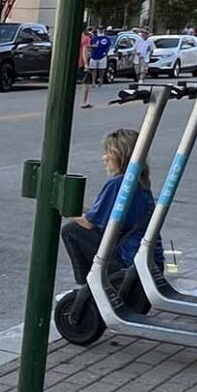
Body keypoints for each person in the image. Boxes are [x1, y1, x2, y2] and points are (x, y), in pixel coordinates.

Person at [60, 128, 155, 301]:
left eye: (108, 153)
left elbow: (90, 223)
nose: (104, 158)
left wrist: (63, 207)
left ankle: (86, 287)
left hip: (126, 262)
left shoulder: (118, 184)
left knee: (71, 230)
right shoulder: (140, 182)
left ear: (121, 156)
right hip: (144, 259)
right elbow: (100, 215)